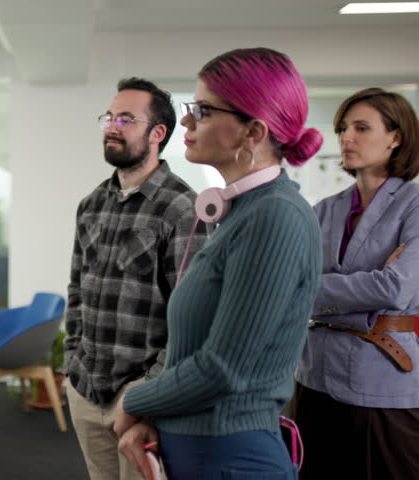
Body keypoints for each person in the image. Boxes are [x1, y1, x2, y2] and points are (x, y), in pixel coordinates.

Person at [115, 48, 324, 480]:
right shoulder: (243, 211)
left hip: (229, 456)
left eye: (204, 110)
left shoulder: (274, 215)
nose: (186, 122)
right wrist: (156, 417)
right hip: (202, 449)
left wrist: (134, 401)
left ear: (253, 131)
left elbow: (222, 368)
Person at [65, 77, 208, 480]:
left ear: (157, 133)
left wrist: (149, 391)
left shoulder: (184, 208)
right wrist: (72, 361)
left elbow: (191, 316)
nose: (112, 126)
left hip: (140, 395)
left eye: (126, 119)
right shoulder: (91, 205)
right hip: (86, 385)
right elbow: (77, 288)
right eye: (109, 117)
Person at [293, 88, 419, 479]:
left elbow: (395, 289)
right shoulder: (323, 210)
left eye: (361, 128)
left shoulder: (414, 206)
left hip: (383, 381)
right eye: (343, 128)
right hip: (314, 378)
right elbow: (289, 286)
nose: (346, 137)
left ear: (395, 137)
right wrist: (362, 291)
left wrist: (315, 288)